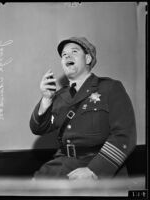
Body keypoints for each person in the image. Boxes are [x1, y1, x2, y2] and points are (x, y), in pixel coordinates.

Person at [30, 36, 136, 180]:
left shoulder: (110, 88)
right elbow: (38, 128)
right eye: (64, 55)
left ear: (87, 59)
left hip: (98, 166)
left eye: (74, 51)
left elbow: (124, 135)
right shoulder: (59, 96)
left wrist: (94, 171)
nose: (67, 55)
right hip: (62, 165)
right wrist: (46, 98)